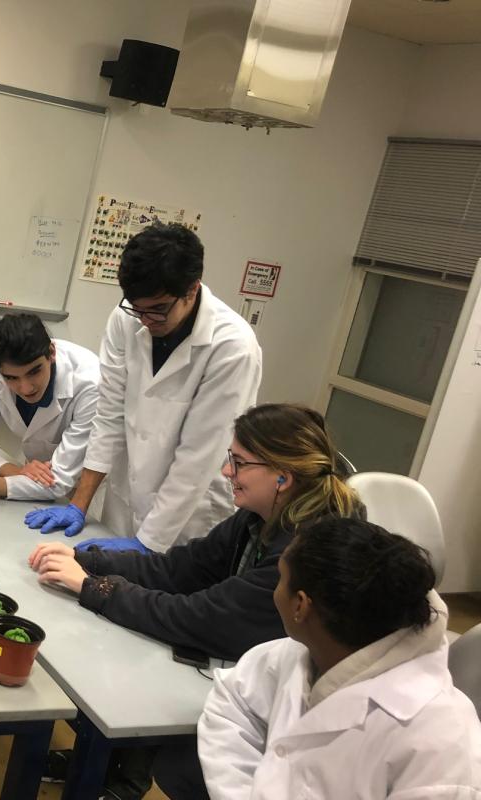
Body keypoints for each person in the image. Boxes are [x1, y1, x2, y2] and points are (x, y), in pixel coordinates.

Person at [29, 404, 363, 797]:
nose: (226, 473)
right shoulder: (262, 516)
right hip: (245, 664)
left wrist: (94, 588)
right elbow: (181, 569)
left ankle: (117, 776)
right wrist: (87, 560)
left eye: (238, 463)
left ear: (282, 477)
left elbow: (200, 619)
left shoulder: (306, 553)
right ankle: (114, 775)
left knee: (165, 734)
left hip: (287, 711)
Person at [197, 518, 481, 800]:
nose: (275, 590)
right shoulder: (310, 652)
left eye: (280, 578)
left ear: (300, 605)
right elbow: (233, 700)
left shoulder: (442, 746)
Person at [26, 223, 261, 548]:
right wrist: (78, 503)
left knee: (164, 592)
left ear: (192, 289)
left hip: (188, 518)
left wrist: (148, 543)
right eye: (137, 308)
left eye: (158, 310)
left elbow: (198, 457)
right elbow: (108, 416)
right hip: (126, 499)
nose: (145, 320)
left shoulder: (232, 347)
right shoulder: (127, 319)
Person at [0, 313, 100, 500]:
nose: (26, 388)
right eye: (11, 378)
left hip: (89, 483)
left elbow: (57, 481)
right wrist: (16, 471)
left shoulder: (90, 383)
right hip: (36, 477)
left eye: (34, 372)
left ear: (51, 353)